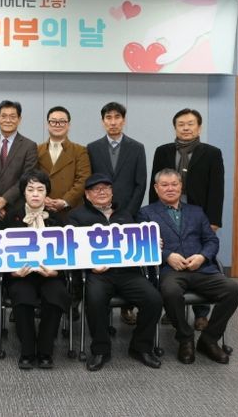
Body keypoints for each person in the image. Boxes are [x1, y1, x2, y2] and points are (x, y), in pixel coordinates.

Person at [138, 168, 238, 365]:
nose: (170, 188)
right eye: (165, 185)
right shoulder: (146, 213)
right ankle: (185, 338)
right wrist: (167, 256)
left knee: (233, 290)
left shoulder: (196, 211)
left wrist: (202, 257)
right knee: (170, 292)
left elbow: (211, 240)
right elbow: (142, 244)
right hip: (170, 271)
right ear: (156, 188)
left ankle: (209, 339)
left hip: (202, 269)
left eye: (174, 184)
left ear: (181, 186)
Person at [69, 173, 163, 371]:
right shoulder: (76, 216)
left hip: (128, 273)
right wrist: (89, 265)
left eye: (106, 188)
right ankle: (101, 349)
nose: (102, 192)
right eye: (96, 189)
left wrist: (152, 243)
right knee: (94, 300)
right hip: (98, 273)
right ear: (87, 195)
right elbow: (71, 247)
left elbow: (136, 242)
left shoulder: (125, 214)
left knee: (154, 299)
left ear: (112, 192)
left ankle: (140, 346)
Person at [148, 108, 224, 331]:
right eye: (181, 124)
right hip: (165, 214)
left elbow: (216, 188)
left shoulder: (211, 153)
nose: (186, 128)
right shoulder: (163, 151)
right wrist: (153, 216)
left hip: (198, 215)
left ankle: (201, 313)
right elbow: (155, 185)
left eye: (190, 124)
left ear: (199, 127)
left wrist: (214, 220)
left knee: (199, 260)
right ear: (175, 128)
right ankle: (173, 309)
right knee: (170, 261)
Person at [87, 102, 147, 326]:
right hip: (99, 214)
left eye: (117, 117)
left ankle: (126, 307)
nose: (113, 122)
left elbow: (141, 183)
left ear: (124, 120)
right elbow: (89, 183)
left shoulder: (137, 147)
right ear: (103, 121)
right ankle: (102, 309)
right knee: (103, 259)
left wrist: (128, 213)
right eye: (108, 118)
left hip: (127, 213)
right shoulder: (92, 148)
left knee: (125, 260)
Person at [3, 170, 70, 370]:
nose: (35, 194)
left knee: (56, 294)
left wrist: (56, 272)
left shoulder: (58, 219)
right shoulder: (11, 217)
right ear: (23, 192)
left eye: (40, 190)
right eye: (30, 189)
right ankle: (27, 350)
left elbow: (69, 253)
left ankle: (45, 351)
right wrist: (12, 272)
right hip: (21, 275)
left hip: (50, 275)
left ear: (46, 193)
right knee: (22, 295)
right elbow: (1, 251)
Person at [0, 100, 37, 224]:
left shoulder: (29, 146)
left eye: (12, 116)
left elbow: (26, 178)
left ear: (19, 119)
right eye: (4, 116)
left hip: (17, 209)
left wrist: (4, 199)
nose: (8, 120)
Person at [37, 106, 91, 219]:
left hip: (72, 211)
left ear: (69, 125)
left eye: (62, 122)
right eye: (53, 121)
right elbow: (31, 178)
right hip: (42, 210)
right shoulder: (37, 150)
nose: (57, 125)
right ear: (47, 124)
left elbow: (83, 179)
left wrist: (65, 201)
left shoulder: (80, 151)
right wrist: (42, 198)